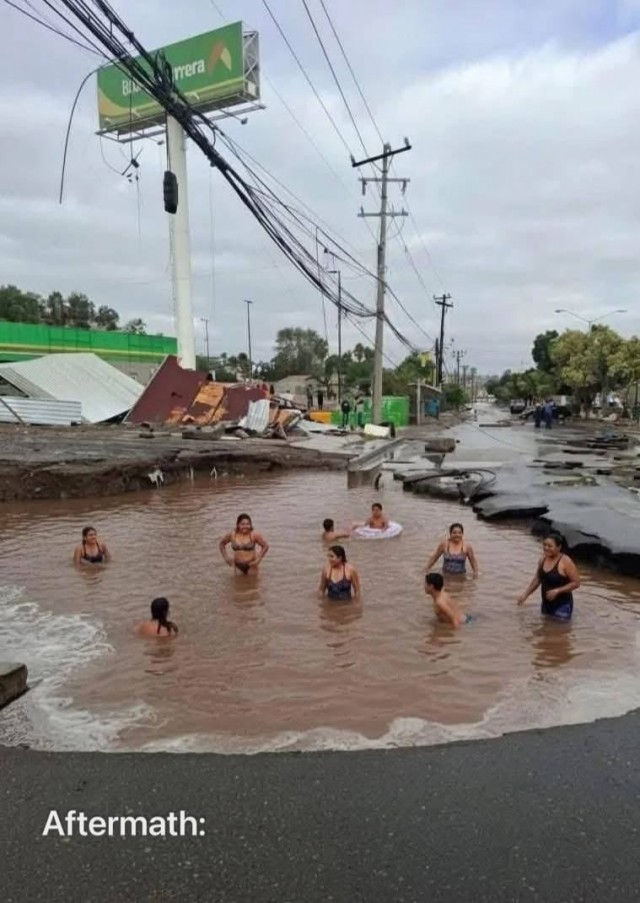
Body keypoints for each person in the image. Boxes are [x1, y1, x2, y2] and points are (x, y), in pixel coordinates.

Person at [517, 532, 580, 621]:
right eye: (544, 545)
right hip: (546, 604)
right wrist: (525, 595)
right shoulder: (542, 559)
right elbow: (537, 579)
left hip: (563, 605)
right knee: (546, 631)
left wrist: (557, 591)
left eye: (550, 546)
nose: (546, 548)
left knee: (560, 632)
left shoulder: (566, 562)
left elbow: (576, 583)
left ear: (559, 547)